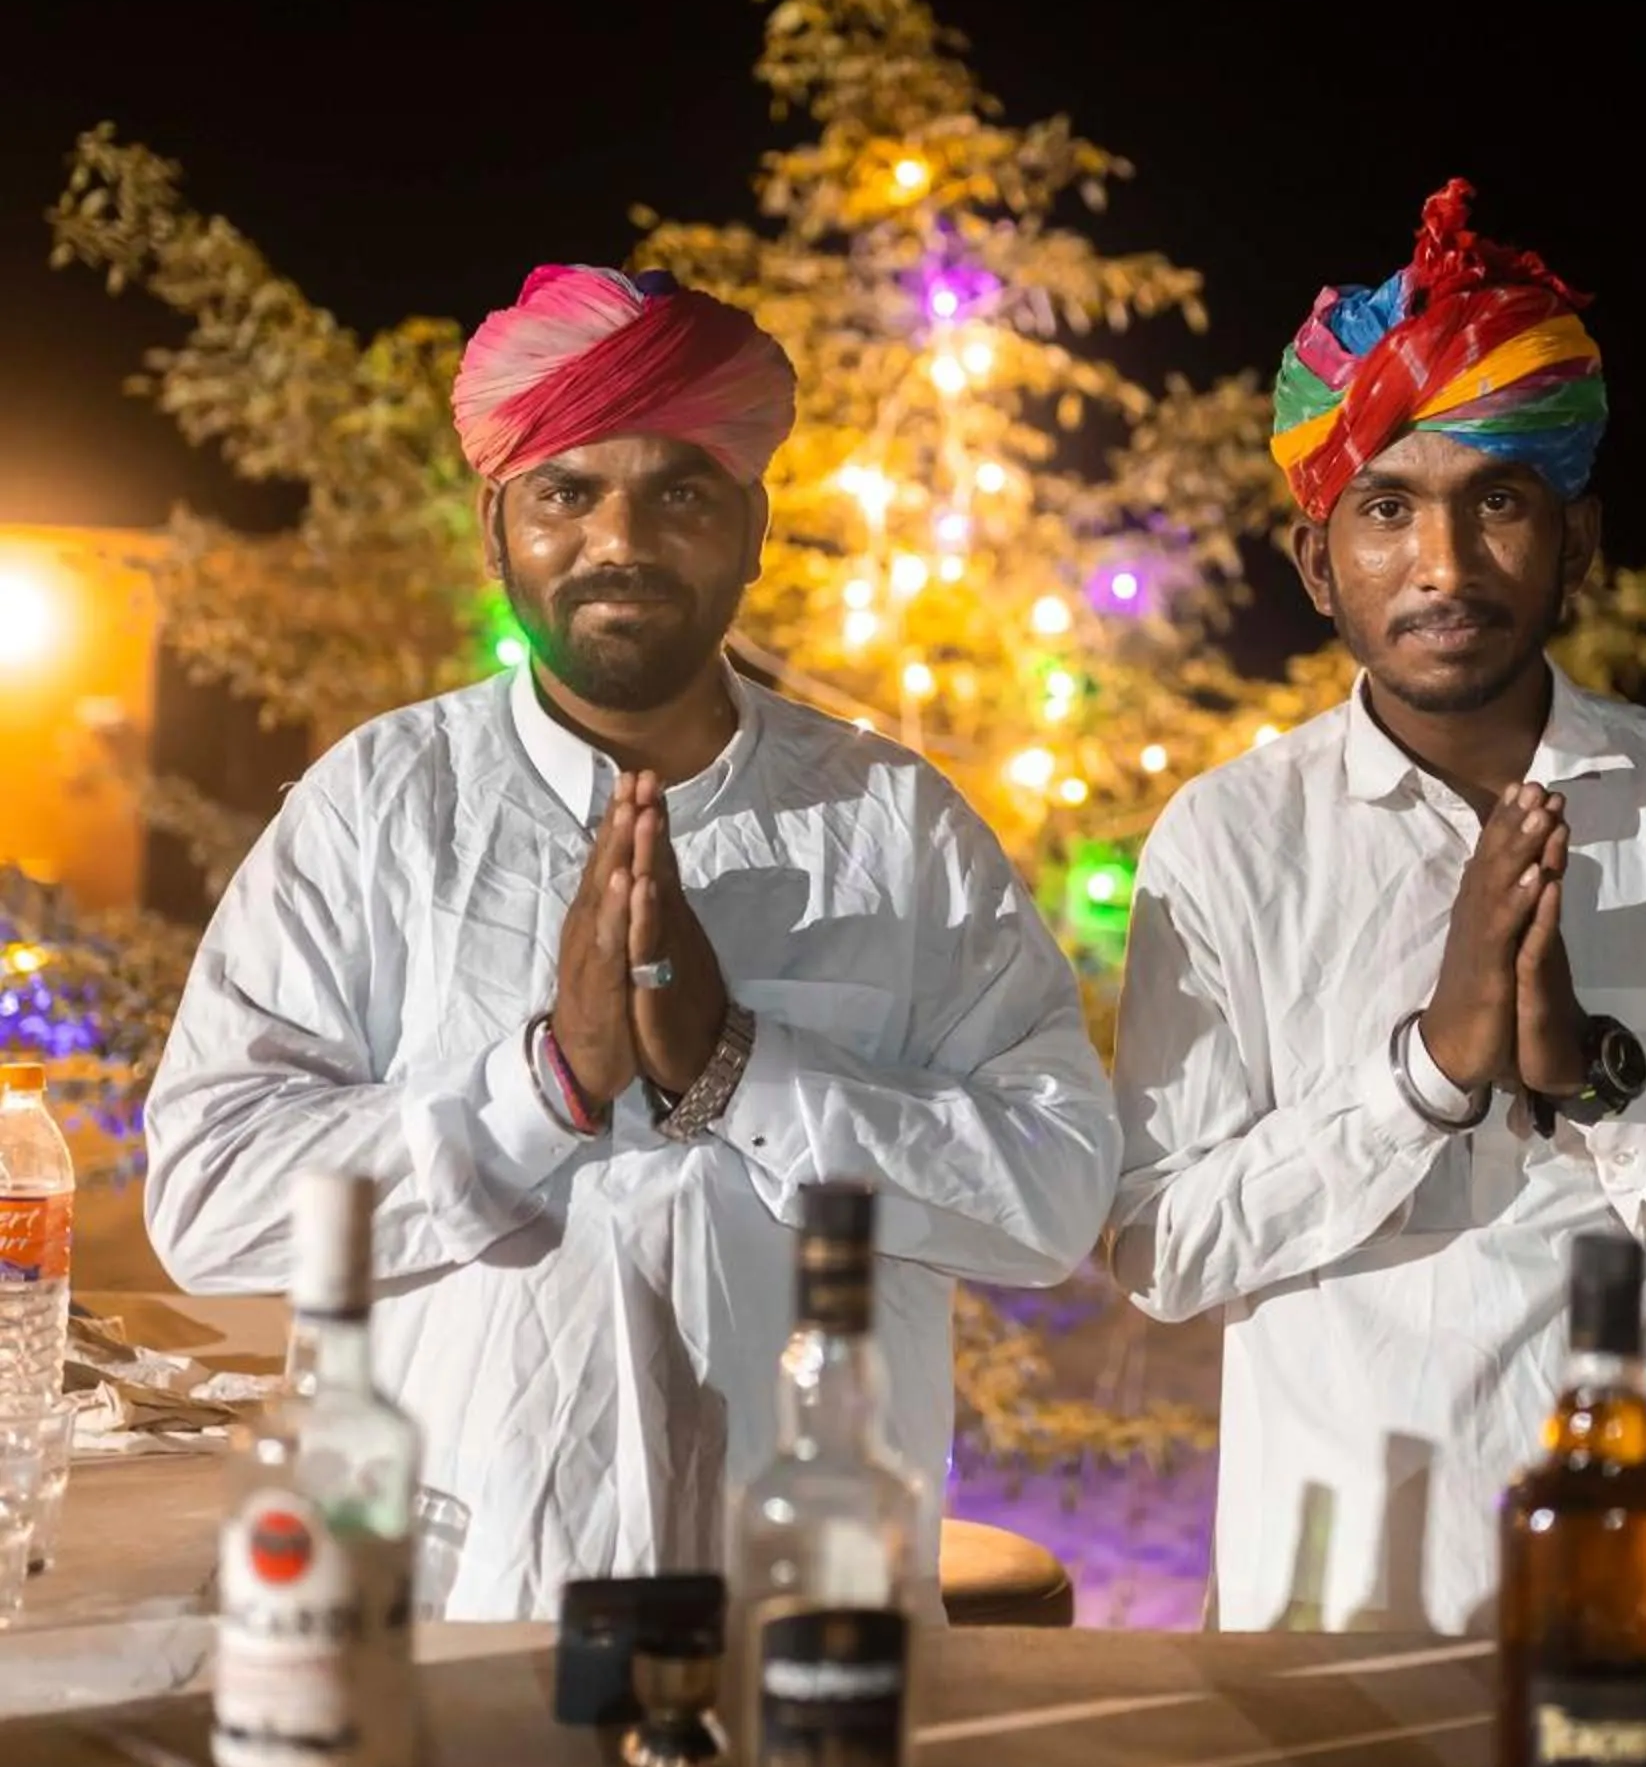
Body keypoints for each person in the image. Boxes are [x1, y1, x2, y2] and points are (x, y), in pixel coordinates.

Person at [147, 262, 1120, 1616]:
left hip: (809, 1609)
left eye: (679, 492)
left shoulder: (894, 824)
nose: (623, 537)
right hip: (462, 1597)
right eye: (566, 492)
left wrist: (747, 1076)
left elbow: (1058, 1195)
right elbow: (207, 1199)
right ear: (497, 529)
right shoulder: (380, 807)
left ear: (753, 525)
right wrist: (540, 1094)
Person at [1110, 181, 1646, 1633]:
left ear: (1578, 540)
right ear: (1315, 563)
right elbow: (1160, 1248)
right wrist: (1424, 1074)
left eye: (1500, 504)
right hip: (1340, 1601)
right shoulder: (1230, 841)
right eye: (1388, 510)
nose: (1446, 567)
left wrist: (1605, 1082)